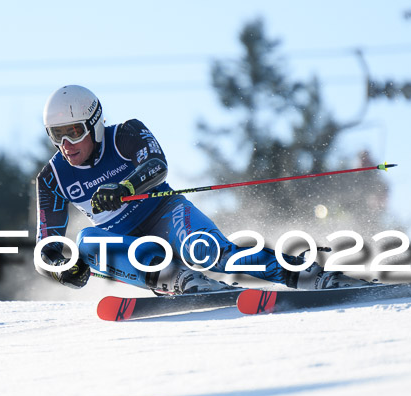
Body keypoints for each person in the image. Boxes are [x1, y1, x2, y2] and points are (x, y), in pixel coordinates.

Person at [35, 85, 367, 294]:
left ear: (94, 123)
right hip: (126, 243)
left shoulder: (125, 133)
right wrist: (61, 269)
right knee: (87, 243)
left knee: (209, 252)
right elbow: (45, 247)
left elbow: (156, 165)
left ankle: (308, 276)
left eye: (74, 131)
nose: (66, 144)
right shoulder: (52, 177)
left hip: (164, 213)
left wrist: (124, 187)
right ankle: (183, 282)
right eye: (56, 135)